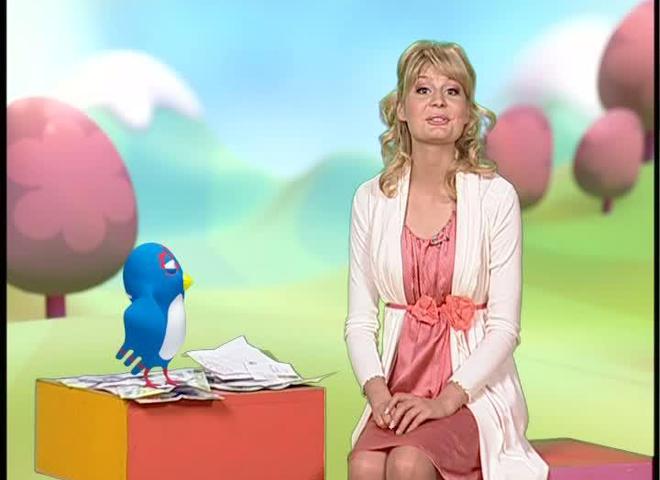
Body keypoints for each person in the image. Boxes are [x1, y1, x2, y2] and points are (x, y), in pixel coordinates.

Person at [344, 40, 549, 480]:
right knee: (364, 463)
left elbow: (504, 329)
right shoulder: (371, 199)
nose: (438, 101)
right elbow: (360, 322)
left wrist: (445, 401)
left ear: (468, 113)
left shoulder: (496, 197)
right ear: (401, 108)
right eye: (423, 90)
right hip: (398, 389)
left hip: (472, 394)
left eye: (452, 91)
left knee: (408, 462)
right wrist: (378, 394)